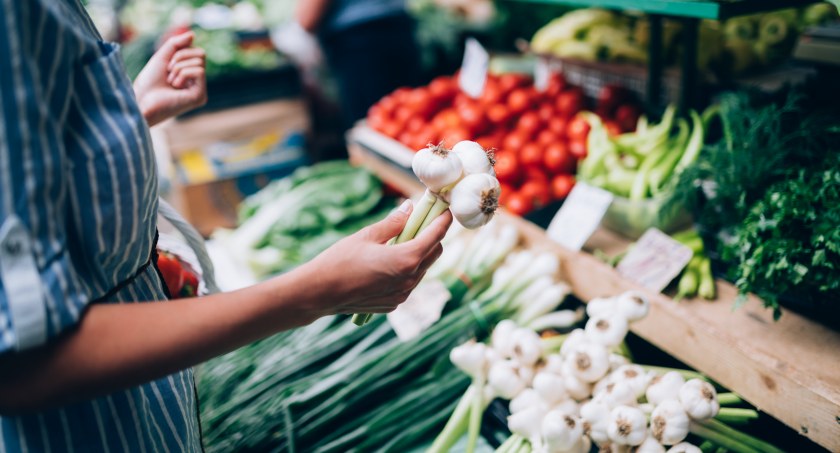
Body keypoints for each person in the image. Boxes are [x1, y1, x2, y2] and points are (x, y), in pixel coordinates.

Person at [0, 1, 450, 451]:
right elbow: (19, 365)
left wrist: (125, 122)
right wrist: (313, 292)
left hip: (149, 409)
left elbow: (32, 176)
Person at [297, 0, 424, 130]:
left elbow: (308, 18)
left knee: (376, 130)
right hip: (396, 28)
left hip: (362, 45)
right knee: (412, 122)